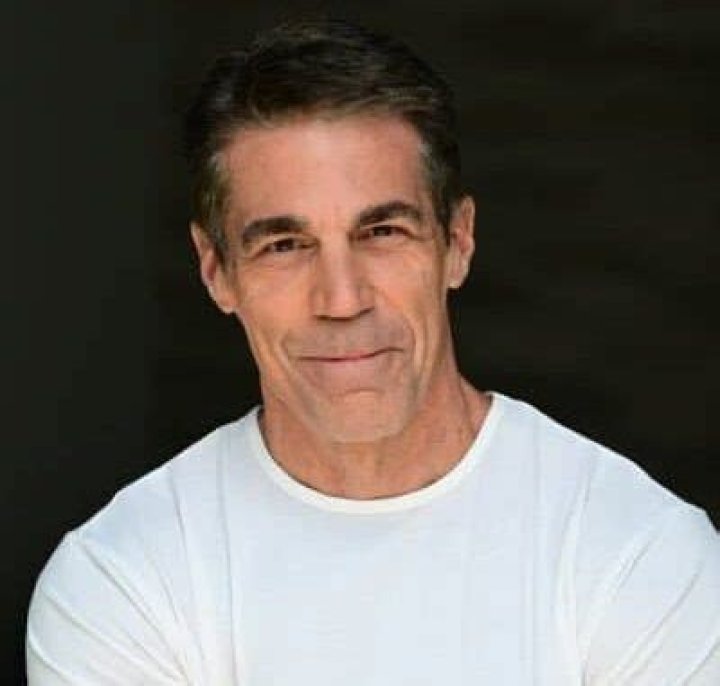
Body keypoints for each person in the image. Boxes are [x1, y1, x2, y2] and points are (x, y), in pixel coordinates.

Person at [27, 20, 720, 685]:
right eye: (284, 245)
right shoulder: (123, 580)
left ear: (457, 243)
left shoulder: (641, 555)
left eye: (382, 232)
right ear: (216, 271)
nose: (342, 298)